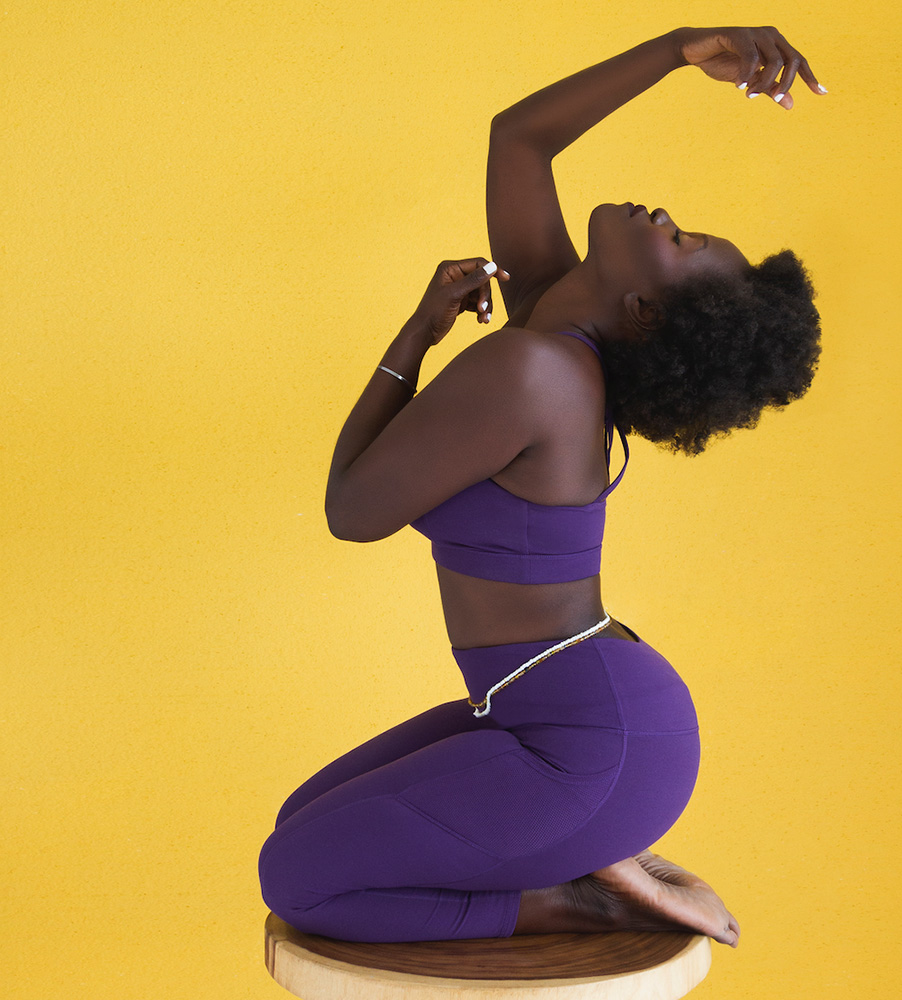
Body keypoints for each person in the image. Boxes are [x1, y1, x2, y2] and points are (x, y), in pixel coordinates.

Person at [259, 24, 823, 947]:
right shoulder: (556, 338)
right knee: (302, 824)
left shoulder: (536, 373)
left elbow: (351, 511)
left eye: (677, 240)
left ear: (641, 311)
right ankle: (596, 854)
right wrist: (682, 49)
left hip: (586, 750)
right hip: (565, 720)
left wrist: (415, 336)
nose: (660, 215)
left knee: (297, 878)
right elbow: (518, 138)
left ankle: (578, 893)